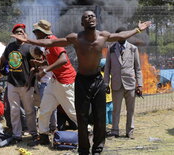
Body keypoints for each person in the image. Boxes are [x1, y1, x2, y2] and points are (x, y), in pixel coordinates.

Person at [12, 11, 151, 154]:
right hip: (81, 81)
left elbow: (121, 35)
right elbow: (51, 42)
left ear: (96, 20)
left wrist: (138, 29)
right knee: (81, 118)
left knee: (100, 118)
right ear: (82, 23)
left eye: (92, 16)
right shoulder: (76, 38)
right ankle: (84, 150)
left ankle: (97, 149)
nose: (90, 18)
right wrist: (28, 40)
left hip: (97, 80)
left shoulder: (103, 36)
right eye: (86, 17)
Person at [19, 20, 77, 147]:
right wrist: (43, 64)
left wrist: (44, 70)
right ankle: (44, 136)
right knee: (45, 109)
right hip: (55, 81)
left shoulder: (53, 41)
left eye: (36, 31)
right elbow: (53, 60)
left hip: (65, 81)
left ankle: (88, 130)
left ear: (42, 32)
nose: (34, 33)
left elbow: (63, 60)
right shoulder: (46, 45)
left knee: (71, 111)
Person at [0, 24, 38, 143]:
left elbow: (34, 66)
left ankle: (33, 133)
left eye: (21, 32)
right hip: (12, 83)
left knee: (29, 110)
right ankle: (17, 135)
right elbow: (2, 60)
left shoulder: (29, 47)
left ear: (25, 33)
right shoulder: (10, 47)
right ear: (14, 34)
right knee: (14, 110)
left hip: (26, 84)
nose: (19, 33)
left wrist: (30, 81)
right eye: (17, 32)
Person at [104, 27, 143, 139]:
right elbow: (107, 68)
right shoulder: (111, 49)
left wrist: (139, 85)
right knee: (116, 109)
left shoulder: (133, 48)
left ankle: (130, 132)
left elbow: (138, 68)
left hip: (130, 84)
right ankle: (114, 131)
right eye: (119, 35)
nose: (122, 37)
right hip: (116, 84)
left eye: (124, 34)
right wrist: (106, 84)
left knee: (130, 110)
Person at [99, 58, 113, 125]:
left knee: (111, 111)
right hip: (104, 99)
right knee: (105, 113)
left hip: (110, 98)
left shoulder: (109, 75)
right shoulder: (100, 75)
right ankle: (106, 124)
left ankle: (111, 122)